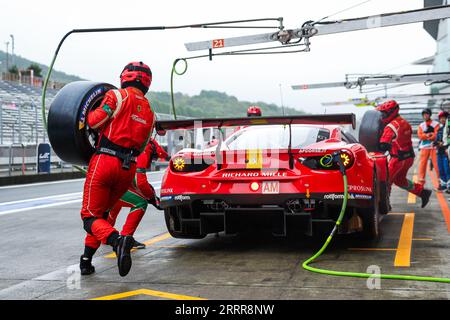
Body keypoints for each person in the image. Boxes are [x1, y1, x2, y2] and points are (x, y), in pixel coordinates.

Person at [79, 61, 155, 277]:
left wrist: (91, 113)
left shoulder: (116, 96)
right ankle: (86, 262)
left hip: (104, 161)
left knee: (90, 217)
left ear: (125, 77)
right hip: (128, 167)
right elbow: (142, 148)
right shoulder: (150, 112)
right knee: (101, 215)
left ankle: (118, 241)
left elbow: (94, 122)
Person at [80, 138, 168, 275]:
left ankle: (86, 260)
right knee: (139, 203)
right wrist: (153, 199)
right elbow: (140, 181)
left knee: (97, 218)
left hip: (102, 166)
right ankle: (123, 240)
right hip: (116, 173)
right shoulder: (146, 147)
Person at [377, 100, 432, 208]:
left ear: (391, 112)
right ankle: (423, 192)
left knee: (385, 181)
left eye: (384, 113)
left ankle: (384, 205)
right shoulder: (404, 122)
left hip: (398, 159)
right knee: (400, 180)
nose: (382, 116)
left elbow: (383, 145)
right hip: (408, 158)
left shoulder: (390, 127)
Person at [417, 108, 440, 186]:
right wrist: (428, 135)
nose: (425, 116)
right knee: (422, 165)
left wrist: (428, 136)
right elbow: (420, 136)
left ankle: (440, 182)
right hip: (424, 147)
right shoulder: (421, 125)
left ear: (430, 115)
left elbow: (437, 134)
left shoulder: (436, 124)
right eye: (424, 115)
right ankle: (421, 183)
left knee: (436, 164)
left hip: (434, 147)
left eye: (426, 114)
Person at [434, 111, 450, 192]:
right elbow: (435, 141)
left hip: (446, 152)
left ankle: (449, 186)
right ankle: (443, 186)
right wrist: (438, 143)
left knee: (447, 169)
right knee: (441, 169)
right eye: (441, 118)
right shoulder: (439, 129)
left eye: (444, 118)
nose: (442, 120)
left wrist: (443, 144)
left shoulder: (448, 129)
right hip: (439, 152)